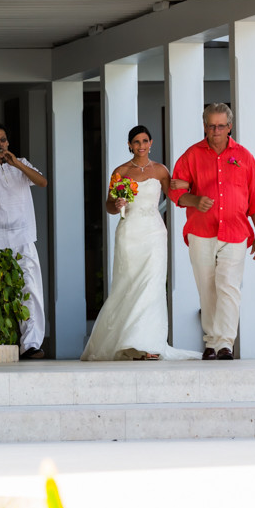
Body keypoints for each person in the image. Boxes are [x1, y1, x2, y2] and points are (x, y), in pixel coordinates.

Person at [81, 125, 201, 361]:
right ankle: (127, 342)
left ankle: (149, 343)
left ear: (151, 143)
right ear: (129, 145)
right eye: (136, 142)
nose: (141, 146)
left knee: (153, 285)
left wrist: (195, 196)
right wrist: (115, 205)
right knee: (128, 284)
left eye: (145, 141)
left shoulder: (161, 170)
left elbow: (176, 196)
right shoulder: (120, 171)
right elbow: (108, 205)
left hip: (154, 232)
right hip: (129, 233)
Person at [168, 103, 255, 360]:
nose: (216, 131)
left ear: (230, 127)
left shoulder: (244, 157)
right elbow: (176, 190)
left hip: (235, 232)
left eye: (221, 126)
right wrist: (194, 200)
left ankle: (225, 343)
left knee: (229, 286)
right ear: (204, 126)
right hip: (201, 232)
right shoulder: (191, 156)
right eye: (211, 126)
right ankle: (211, 343)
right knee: (207, 287)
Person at [0, 122, 48, 360]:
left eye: (3, 140)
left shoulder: (20, 163)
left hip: (23, 236)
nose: (0, 145)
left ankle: (31, 344)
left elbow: (42, 182)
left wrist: (17, 165)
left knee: (30, 289)